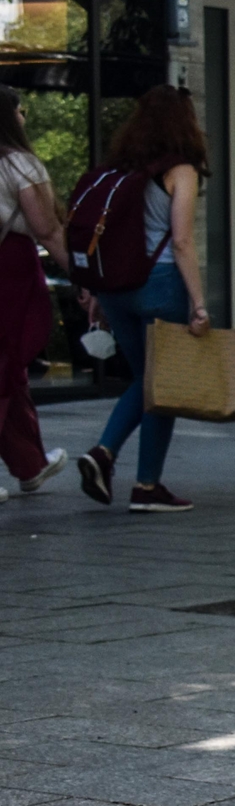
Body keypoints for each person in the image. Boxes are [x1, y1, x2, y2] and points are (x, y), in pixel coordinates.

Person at [77, 86, 212, 514]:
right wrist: (199, 302)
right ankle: (137, 477)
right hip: (160, 286)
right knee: (161, 384)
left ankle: (112, 460)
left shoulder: (119, 171)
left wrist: (98, 291)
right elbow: (183, 241)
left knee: (146, 379)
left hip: (117, 290)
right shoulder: (181, 170)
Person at [0, 86, 70, 498]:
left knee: (12, 371)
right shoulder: (20, 165)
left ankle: (30, 463)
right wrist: (82, 277)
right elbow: (47, 228)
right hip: (9, 269)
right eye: (21, 110)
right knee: (7, 361)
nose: (25, 116)